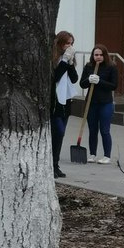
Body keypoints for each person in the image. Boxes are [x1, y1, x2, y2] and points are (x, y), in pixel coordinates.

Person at [79, 43, 119, 164]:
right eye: (96, 55)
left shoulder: (111, 67)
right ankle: (92, 154)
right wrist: (88, 80)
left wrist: (100, 81)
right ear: (93, 55)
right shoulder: (88, 67)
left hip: (105, 103)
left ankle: (107, 155)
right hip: (91, 103)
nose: (98, 57)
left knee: (104, 130)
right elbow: (82, 84)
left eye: (101, 55)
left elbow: (114, 86)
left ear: (105, 55)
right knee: (92, 129)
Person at [50, 31, 79, 179]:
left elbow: (74, 79)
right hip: (55, 101)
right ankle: (51, 164)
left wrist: (69, 62)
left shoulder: (67, 60)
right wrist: (63, 61)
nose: (70, 46)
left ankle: (55, 165)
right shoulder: (54, 59)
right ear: (60, 43)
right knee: (58, 131)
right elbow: (55, 77)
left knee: (60, 135)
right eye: (67, 43)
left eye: (71, 43)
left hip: (66, 101)